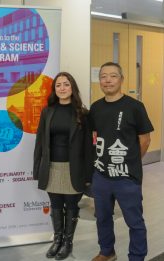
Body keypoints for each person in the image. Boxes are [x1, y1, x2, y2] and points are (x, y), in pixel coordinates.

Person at [89, 62, 154, 261]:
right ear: (99, 80)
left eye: (113, 76)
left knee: (134, 222)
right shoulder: (96, 107)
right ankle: (107, 252)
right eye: (103, 76)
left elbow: (145, 140)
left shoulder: (135, 107)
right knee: (102, 218)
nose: (107, 80)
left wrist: (131, 162)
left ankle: (137, 256)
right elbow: (95, 137)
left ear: (121, 79)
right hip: (101, 175)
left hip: (127, 177)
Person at [33, 72, 93, 260]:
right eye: (58, 85)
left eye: (66, 84)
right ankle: (57, 240)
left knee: (72, 204)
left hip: (74, 167)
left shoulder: (83, 113)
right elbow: (40, 142)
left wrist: (88, 174)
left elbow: (88, 147)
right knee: (56, 204)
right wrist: (37, 168)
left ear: (72, 87)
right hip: (52, 167)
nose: (62, 88)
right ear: (54, 89)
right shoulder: (47, 111)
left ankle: (68, 242)